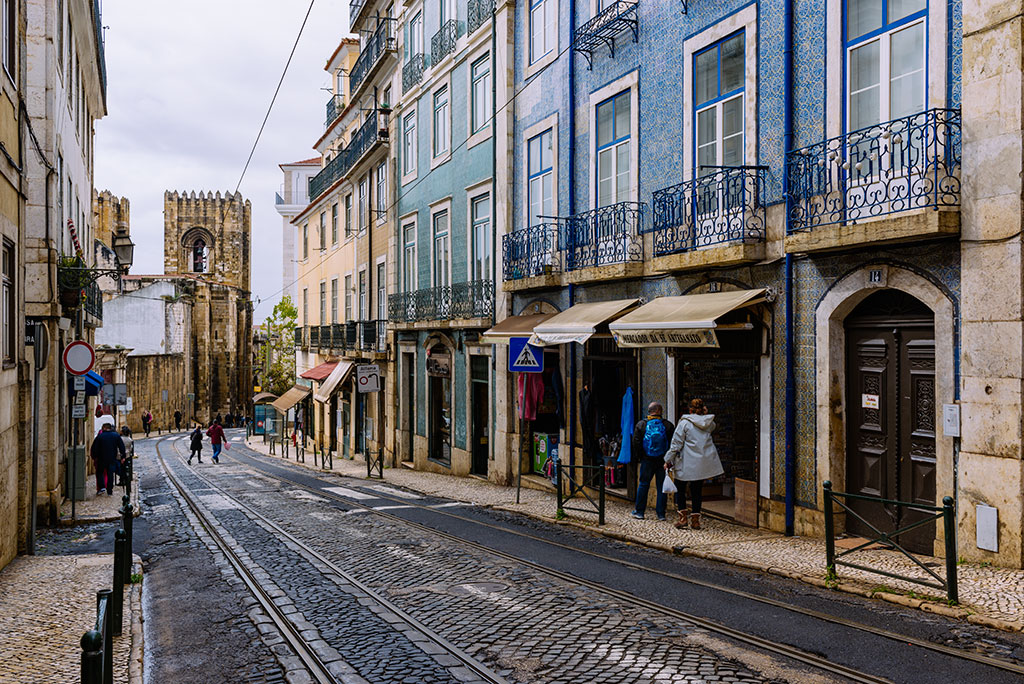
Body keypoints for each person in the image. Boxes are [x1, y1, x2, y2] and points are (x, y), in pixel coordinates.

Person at [664, 397, 725, 530]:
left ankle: (683, 519)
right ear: (703, 409)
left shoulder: (684, 423)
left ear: (690, 409)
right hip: (700, 464)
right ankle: (696, 521)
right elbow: (713, 426)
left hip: (686, 463)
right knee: (697, 491)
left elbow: (676, 444)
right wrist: (705, 413)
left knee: (680, 490)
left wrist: (668, 459)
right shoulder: (708, 423)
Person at [630, 402, 674, 521]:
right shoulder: (668, 425)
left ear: (649, 411)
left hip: (647, 460)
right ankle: (661, 514)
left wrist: (641, 457)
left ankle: (639, 512)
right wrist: (668, 459)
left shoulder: (641, 424)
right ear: (660, 411)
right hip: (663, 461)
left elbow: (636, 443)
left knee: (643, 484)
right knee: (661, 487)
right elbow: (672, 444)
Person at [90, 423, 125, 495]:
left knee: (100, 473)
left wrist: (94, 457)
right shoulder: (116, 436)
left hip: (101, 458)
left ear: (104, 428)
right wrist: (123, 456)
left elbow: (94, 448)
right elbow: (121, 446)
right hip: (112, 458)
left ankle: (102, 487)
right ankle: (109, 490)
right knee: (110, 474)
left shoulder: (100, 436)